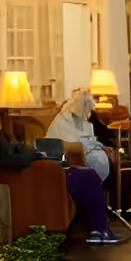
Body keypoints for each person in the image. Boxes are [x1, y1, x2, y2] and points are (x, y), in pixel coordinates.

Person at [45, 90, 119, 244]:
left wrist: (99, 146)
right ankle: (99, 229)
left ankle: (99, 228)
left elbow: (84, 141)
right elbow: (72, 144)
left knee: (91, 175)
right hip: (59, 169)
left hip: (63, 168)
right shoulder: (64, 122)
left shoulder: (78, 122)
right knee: (90, 176)